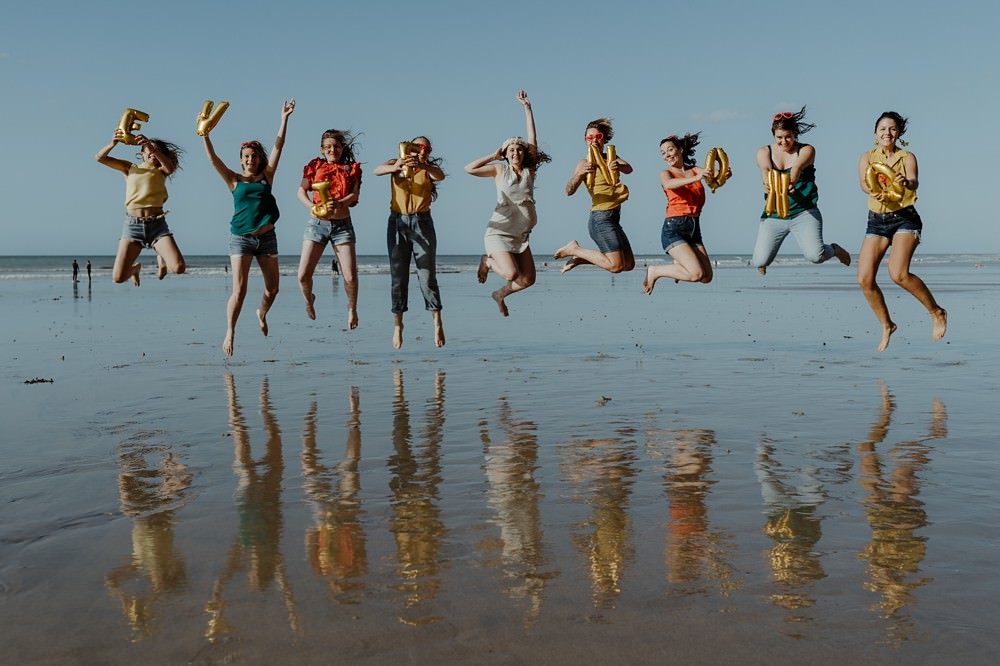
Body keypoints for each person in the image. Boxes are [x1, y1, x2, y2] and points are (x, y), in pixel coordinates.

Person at [202, 100, 295, 357]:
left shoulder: (267, 176)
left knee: (273, 289)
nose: (250, 160)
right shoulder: (234, 179)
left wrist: (284, 118)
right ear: (241, 160)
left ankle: (262, 312)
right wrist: (205, 135)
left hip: (267, 239)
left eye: (254, 156)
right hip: (241, 239)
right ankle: (230, 331)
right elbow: (212, 159)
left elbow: (279, 146)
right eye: (246, 157)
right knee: (239, 290)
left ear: (259, 158)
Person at [856, 111, 947, 352]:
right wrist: (871, 189)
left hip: (905, 218)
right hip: (876, 220)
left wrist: (906, 182)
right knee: (864, 279)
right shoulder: (867, 157)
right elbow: (864, 183)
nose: (887, 133)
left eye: (892, 129)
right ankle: (887, 325)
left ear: (899, 134)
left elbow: (914, 180)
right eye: (883, 129)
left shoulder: (907, 157)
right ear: (875, 134)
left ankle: (936, 311)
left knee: (898, 274)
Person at [465, 90, 551, 316]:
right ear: (505, 153)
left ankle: (500, 295)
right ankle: (488, 261)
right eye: (511, 149)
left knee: (528, 280)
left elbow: (533, 140)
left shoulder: (529, 172)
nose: (516, 152)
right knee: (512, 274)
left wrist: (527, 108)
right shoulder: (499, 170)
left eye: (519, 149)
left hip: (521, 235)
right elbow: (469, 169)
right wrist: (492, 156)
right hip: (499, 234)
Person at [751, 107, 850, 275]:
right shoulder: (764, 151)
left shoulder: (807, 150)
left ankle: (834, 250)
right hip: (774, 214)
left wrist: (792, 179)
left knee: (815, 256)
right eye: (779, 138)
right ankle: (762, 260)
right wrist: (767, 183)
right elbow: (765, 170)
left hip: (804, 212)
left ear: (795, 133)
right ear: (773, 135)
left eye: (788, 136)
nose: (784, 141)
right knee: (758, 261)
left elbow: (797, 167)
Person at [374, 136, 446, 346]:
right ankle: (398, 325)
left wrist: (423, 165)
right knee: (399, 278)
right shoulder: (395, 163)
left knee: (427, 276)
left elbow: (439, 176)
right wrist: (396, 166)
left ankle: (437, 322)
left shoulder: (428, 168)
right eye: (418, 147)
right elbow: (376, 170)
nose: (422, 150)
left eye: (426, 148)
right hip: (397, 222)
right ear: (409, 148)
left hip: (422, 222)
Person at [95, 130, 187, 286]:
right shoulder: (130, 168)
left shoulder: (162, 171)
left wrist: (151, 146)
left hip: (157, 225)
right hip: (133, 226)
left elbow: (169, 167)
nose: (151, 151)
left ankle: (161, 256)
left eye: (155, 149)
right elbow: (100, 158)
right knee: (117, 278)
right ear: (141, 154)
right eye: (148, 150)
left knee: (178, 268)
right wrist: (113, 144)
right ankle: (135, 269)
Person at [644, 133, 729, 294]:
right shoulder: (666, 174)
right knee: (696, 274)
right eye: (663, 153)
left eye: (670, 150)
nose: (667, 155)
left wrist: (724, 173)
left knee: (707, 276)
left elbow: (713, 175)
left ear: (680, 150)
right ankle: (655, 271)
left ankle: (679, 265)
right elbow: (670, 184)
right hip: (674, 228)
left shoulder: (695, 170)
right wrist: (696, 178)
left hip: (694, 228)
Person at [296, 129, 362, 329]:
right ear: (322, 149)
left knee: (349, 276)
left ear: (342, 148)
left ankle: (352, 308)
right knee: (303, 275)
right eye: (328, 147)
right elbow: (301, 192)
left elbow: (354, 196)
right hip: (317, 224)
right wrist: (313, 207)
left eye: (336, 146)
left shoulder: (352, 169)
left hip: (342, 226)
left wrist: (340, 203)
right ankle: (309, 300)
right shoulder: (314, 166)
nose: (332, 149)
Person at [554, 117, 634, 274]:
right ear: (585, 141)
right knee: (616, 266)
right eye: (589, 138)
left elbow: (629, 169)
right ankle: (575, 249)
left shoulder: (611, 157)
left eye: (598, 137)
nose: (594, 140)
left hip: (614, 217)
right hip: (600, 219)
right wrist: (580, 174)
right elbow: (568, 190)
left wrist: (620, 165)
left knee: (628, 264)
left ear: (604, 139)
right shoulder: (583, 163)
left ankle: (582, 258)